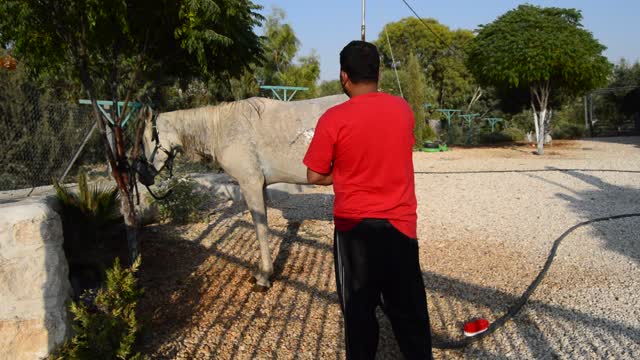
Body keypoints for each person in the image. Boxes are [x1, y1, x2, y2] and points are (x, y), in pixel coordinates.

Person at [303, 40, 433, 360]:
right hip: (400, 226)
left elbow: (315, 176)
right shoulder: (402, 109)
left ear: (344, 76)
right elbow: (397, 150)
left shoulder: (333, 119)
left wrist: (344, 172)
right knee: (409, 310)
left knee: (359, 312)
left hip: (354, 229)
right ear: (379, 74)